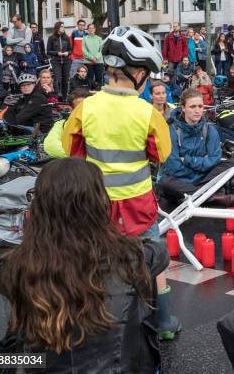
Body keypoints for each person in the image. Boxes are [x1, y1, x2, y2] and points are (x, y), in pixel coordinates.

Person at [0, 158, 167, 373]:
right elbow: (159, 252)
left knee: (2, 356)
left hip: (39, 366)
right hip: (122, 366)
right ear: (99, 203)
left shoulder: (10, 267)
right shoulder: (138, 257)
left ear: (39, 206)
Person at [61, 26, 178, 340]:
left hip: (96, 206)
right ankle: (164, 322)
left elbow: (70, 150)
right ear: (138, 73)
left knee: (95, 263)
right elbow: (161, 154)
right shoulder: (147, 113)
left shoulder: (85, 108)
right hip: (139, 206)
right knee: (155, 260)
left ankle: (98, 324)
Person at [158, 88, 230, 210]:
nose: (197, 111)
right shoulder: (171, 131)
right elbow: (174, 168)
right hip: (181, 181)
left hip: (196, 179)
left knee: (231, 165)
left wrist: (187, 160)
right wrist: (203, 164)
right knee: (165, 182)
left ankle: (194, 196)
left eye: (200, 106)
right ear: (183, 108)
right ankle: (208, 197)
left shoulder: (210, 130)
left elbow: (214, 160)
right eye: (192, 107)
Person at [44, 87, 90, 158]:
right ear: (71, 109)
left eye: (86, 106)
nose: (83, 110)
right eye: (79, 108)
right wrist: (78, 156)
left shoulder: (99, 122)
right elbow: (51, 145)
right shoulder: (61, 124)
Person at [47, 21, 72, 102]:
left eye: (64, 27)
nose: (63, 28)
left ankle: (65, 97)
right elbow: (48, 51)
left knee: (65, 80)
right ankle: (56, 97)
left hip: (66, 61)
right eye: (62, 26)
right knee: (57, 80)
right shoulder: (51, 38)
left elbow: (71, 50)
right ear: (57, 28)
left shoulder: (67, 38)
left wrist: (67, 53)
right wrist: (57, 53)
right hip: (56, 61)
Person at [83, 23, 104, 89]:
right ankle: (90, 93)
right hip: (88, 62)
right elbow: (84, 50)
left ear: (95, 29)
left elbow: (101, 50)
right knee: (89, 79)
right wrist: (92, 58)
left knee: (99, 79)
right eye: (89, 28)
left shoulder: (99, 38)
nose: (91, 29)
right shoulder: (84, 39)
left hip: (99, 61)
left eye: (92, 28)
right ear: (87, 30)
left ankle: (99, 94)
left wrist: (96, 57)